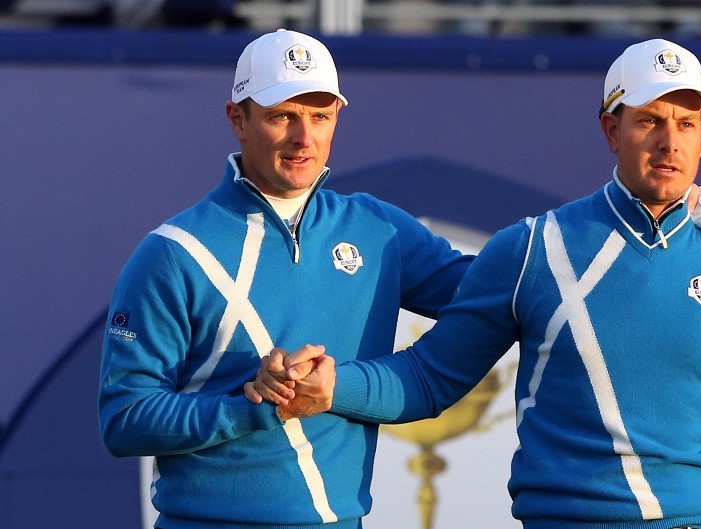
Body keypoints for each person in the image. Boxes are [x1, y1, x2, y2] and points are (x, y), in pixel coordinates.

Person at [251, 38, 701, 528]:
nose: (670, 142)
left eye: (686, 124)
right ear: (610, 129)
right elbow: (428, 378)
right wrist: (333, 387)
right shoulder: (533, 249)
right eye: (649, 120)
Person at [97, 28, 475, 529]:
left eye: (320, 116)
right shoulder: (174, 252)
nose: (304, 138)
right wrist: (252, 403)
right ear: (238, 119)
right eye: (282, 116)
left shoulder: (379, 230)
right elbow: (125, 421)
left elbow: (491, 296)